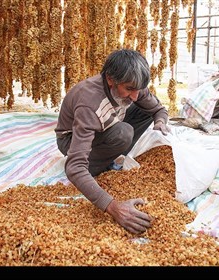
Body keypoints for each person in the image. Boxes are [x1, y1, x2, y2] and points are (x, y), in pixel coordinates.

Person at [55, 49, 171, 234]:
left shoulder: (133, 85)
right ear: (110, 79)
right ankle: (96, 166)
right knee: (123, 133)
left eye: (138, 90)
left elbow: (159, 110)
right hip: (70, 139)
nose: (134, 96)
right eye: (129, 89)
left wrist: (160, 122)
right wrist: (112, 206)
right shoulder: (90, 103)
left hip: (106, 123)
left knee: (142, 111)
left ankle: (110, 152)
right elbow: (74, 167)